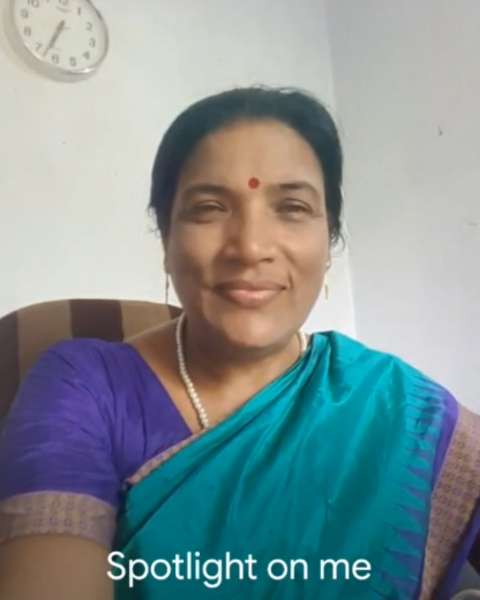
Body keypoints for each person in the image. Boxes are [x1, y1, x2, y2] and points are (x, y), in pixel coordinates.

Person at [0, 86, 479, 600]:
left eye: (292, 207)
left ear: (329, 240)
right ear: (166, 239)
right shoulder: (84, 386)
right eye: (209, 208)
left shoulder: (399, 408)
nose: (250, 247)